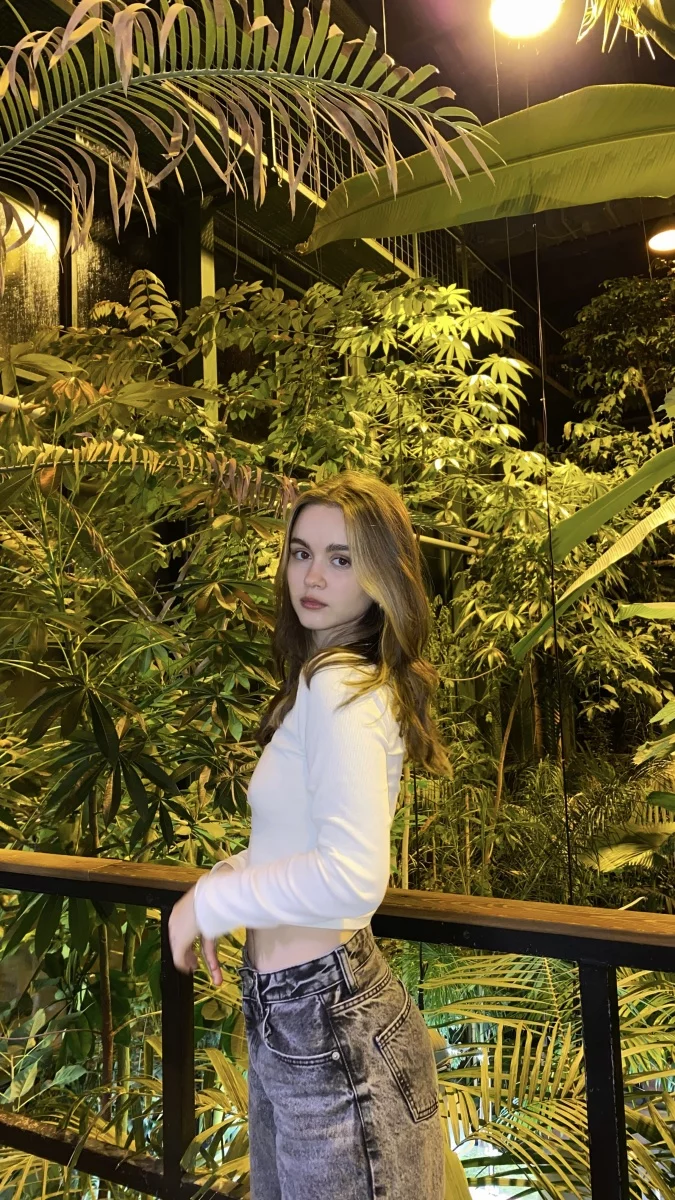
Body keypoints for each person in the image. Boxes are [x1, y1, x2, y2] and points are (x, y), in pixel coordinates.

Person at [169, 470, 451, 1200]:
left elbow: (351, 875)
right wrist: (232, 877)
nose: (313, 576)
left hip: (329, 1028)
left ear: (382, 575)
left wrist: (208, 904)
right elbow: (298, 845)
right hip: (300, 1018)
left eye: (341, 557)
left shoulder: (340, 688)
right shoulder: (327, 681)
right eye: (301, 553)